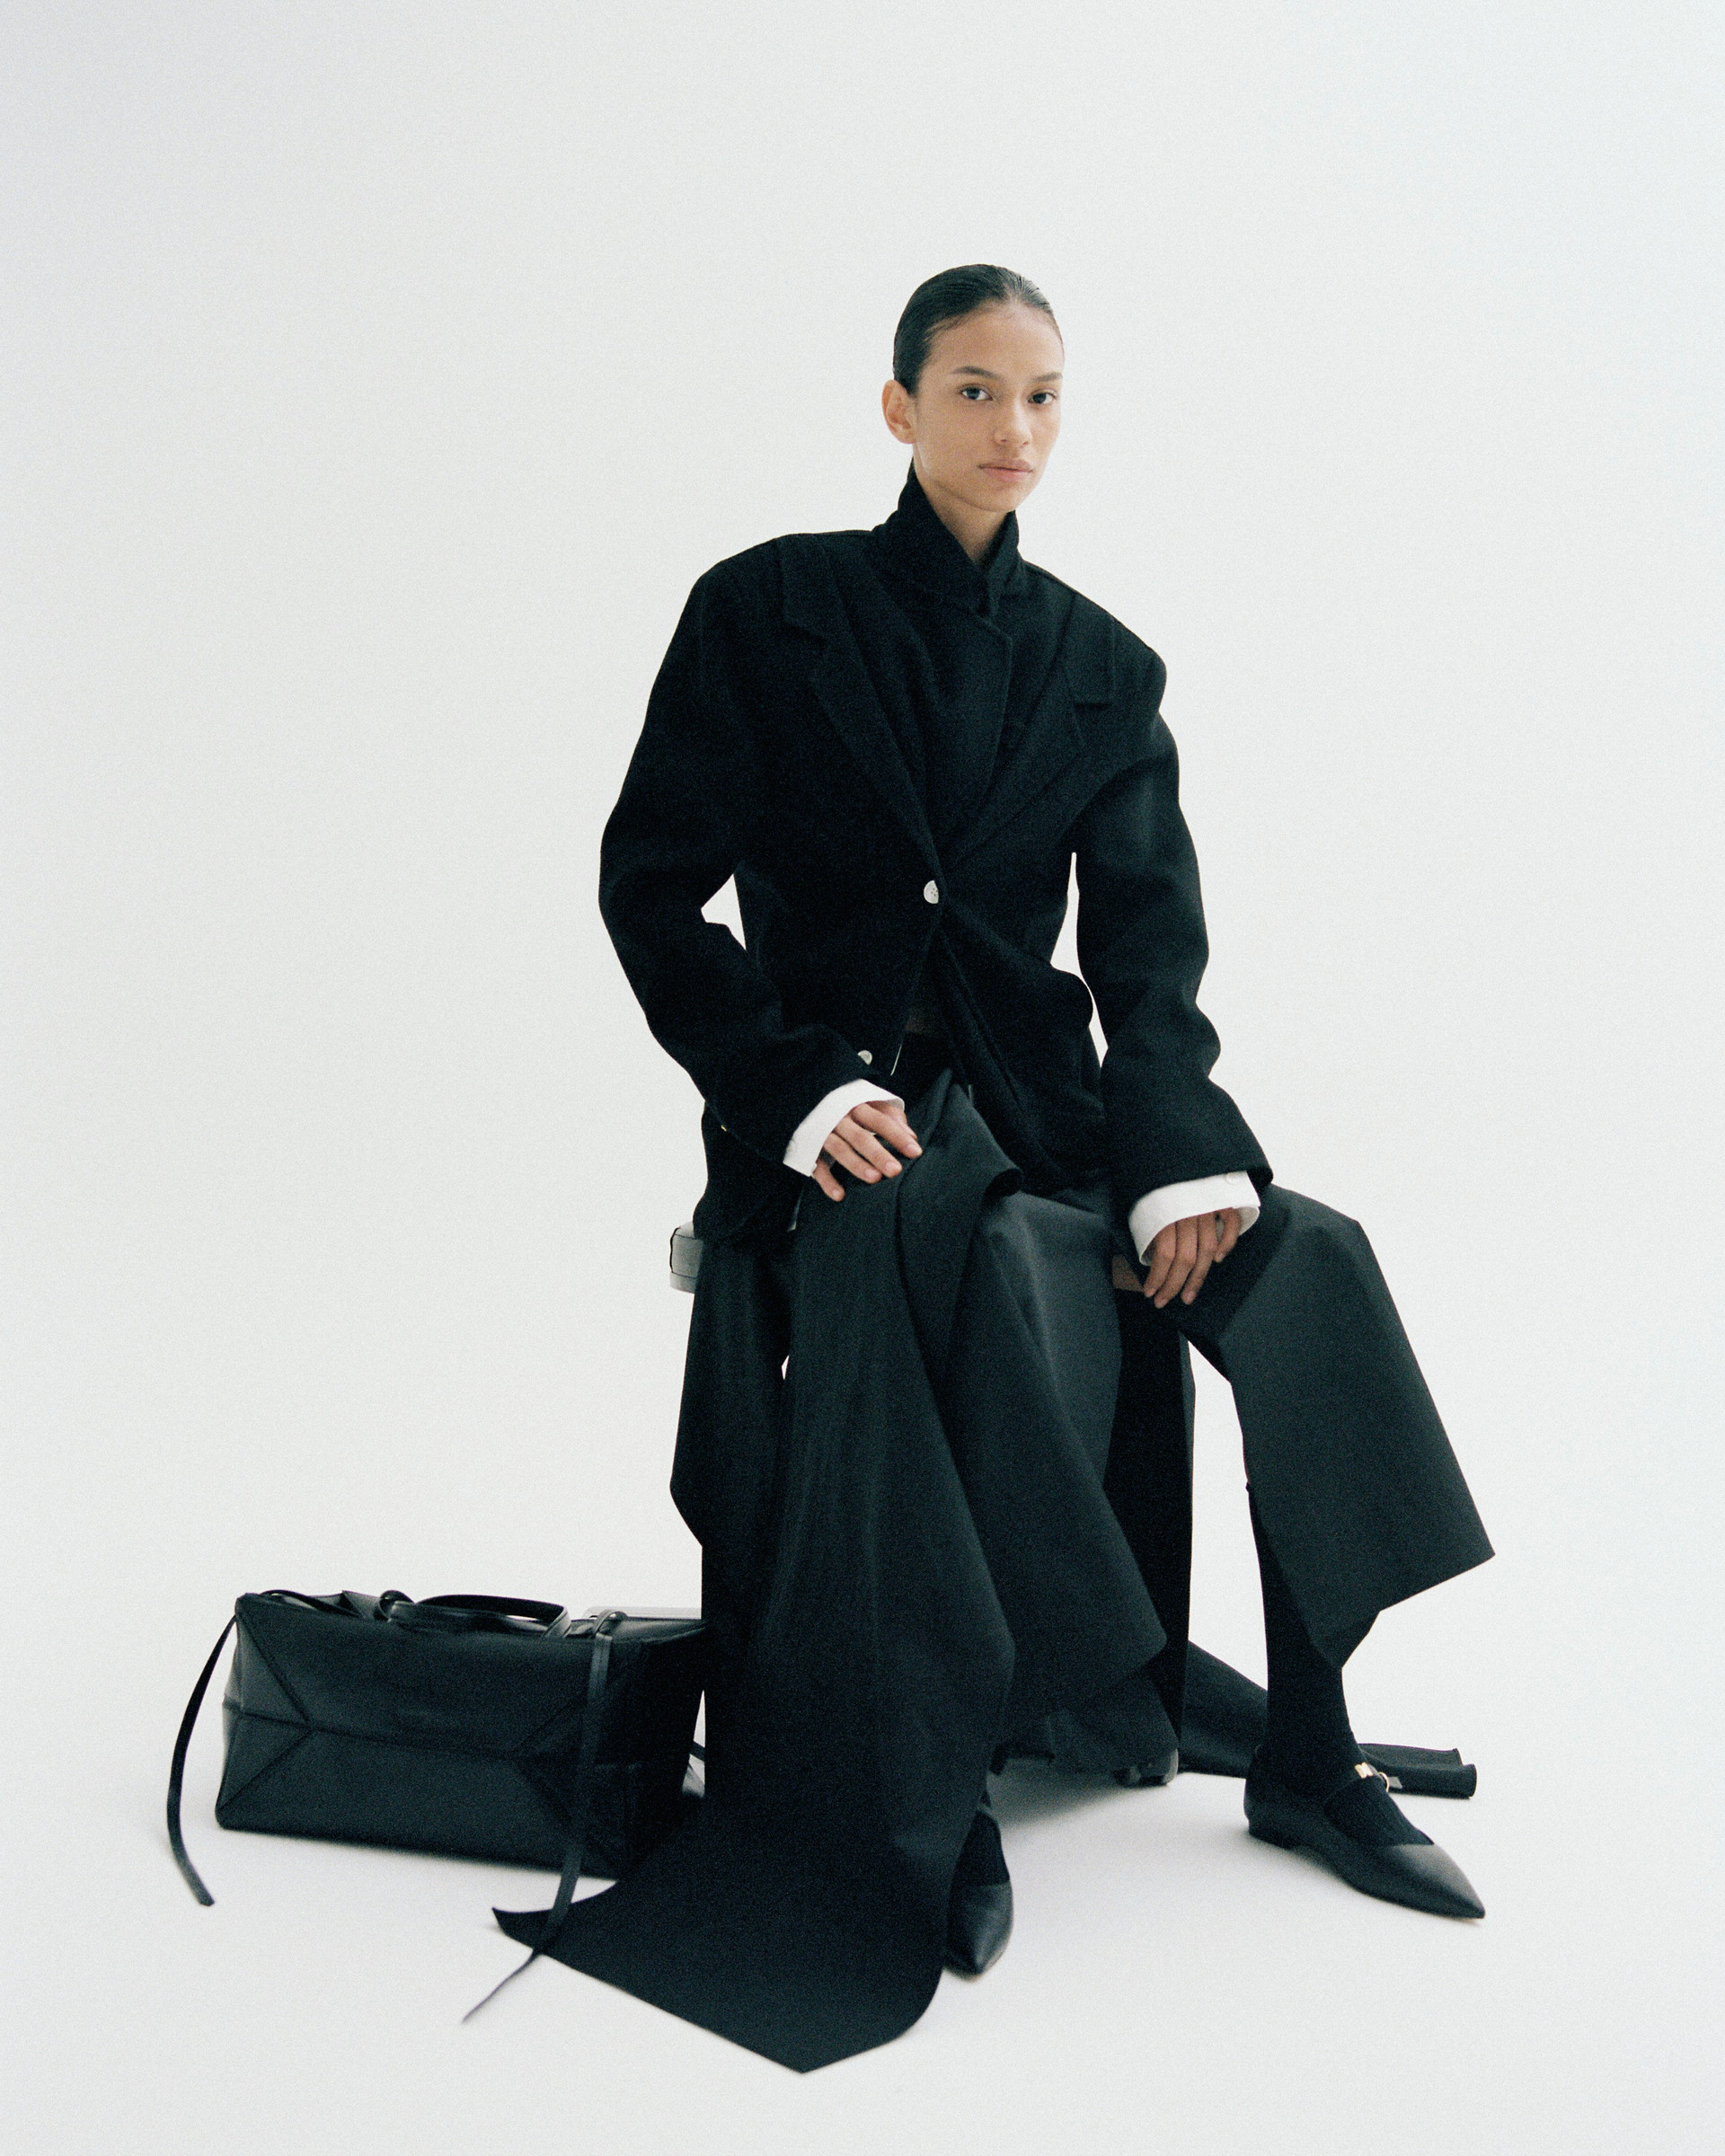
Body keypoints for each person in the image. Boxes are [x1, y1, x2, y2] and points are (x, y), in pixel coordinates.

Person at [499, 266, 1494, 2072]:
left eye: (1041, 396)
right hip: (843, 1121)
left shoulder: (1106, 668)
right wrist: (792, 1086)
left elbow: (1151, 962)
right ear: (899, 408)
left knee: (1306, 1253)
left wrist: (1178, 1162)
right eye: (972, 390)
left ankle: (1310, 1753)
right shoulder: (765, 609)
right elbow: (650, 891)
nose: (1012, 429)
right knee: (931, 1241)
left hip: (1048, 1117)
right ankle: (927, 1773)